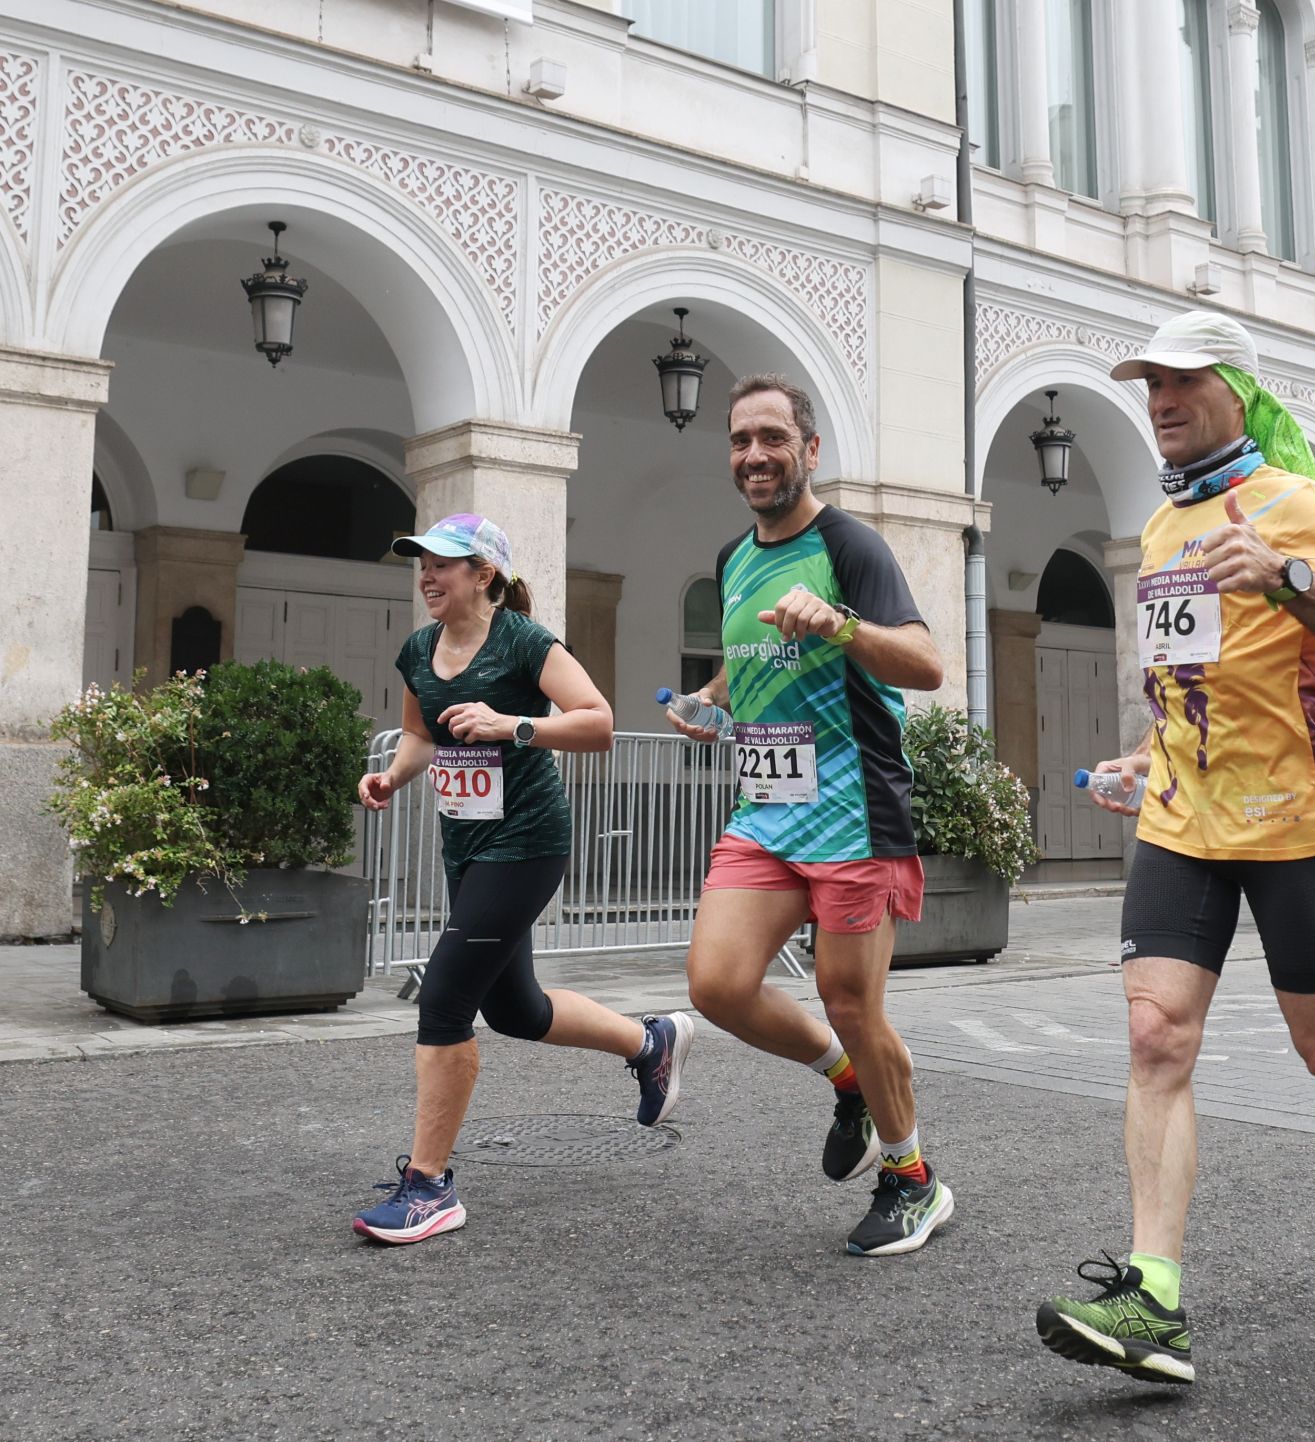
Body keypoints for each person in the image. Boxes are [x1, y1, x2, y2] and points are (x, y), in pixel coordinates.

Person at [1035, 312, 1315, 1386]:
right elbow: (1193, 684)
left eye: (1184, 380)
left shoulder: (1300, 505)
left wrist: (1286, 572)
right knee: (1156, 1039)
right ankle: (1154, 1297)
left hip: (1286, 819)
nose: (1161, 398)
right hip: (1179, 823)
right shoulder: (1157, 532)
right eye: (1150, 382)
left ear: (1237, 389)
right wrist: (1145, 757)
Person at [667, 374, 954, 1257]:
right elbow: (743, 660)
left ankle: (915, 1183)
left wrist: (836, 624)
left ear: (809, 450)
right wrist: (708, 698)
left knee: (853, 1003)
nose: (754, 455)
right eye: (740, 440)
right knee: (716, 984)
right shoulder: (732, 559)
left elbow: (926, 663)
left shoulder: (850, 546)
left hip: (853, 812)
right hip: (767, 809)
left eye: (772, 439)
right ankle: (847, 1084)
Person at [352, 514, 694, 1244]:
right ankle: (649, 1042)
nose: (427, 576)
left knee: (445, 996)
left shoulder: (523, 641)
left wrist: (513, 725)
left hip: (528, 841)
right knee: (514, 1008)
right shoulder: (418, 649)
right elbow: (420, 732)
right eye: (421, 563)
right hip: (465, 844)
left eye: (444, 564)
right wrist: (392, 775)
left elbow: (597, 721)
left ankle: (428, 1185)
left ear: (484, 575)